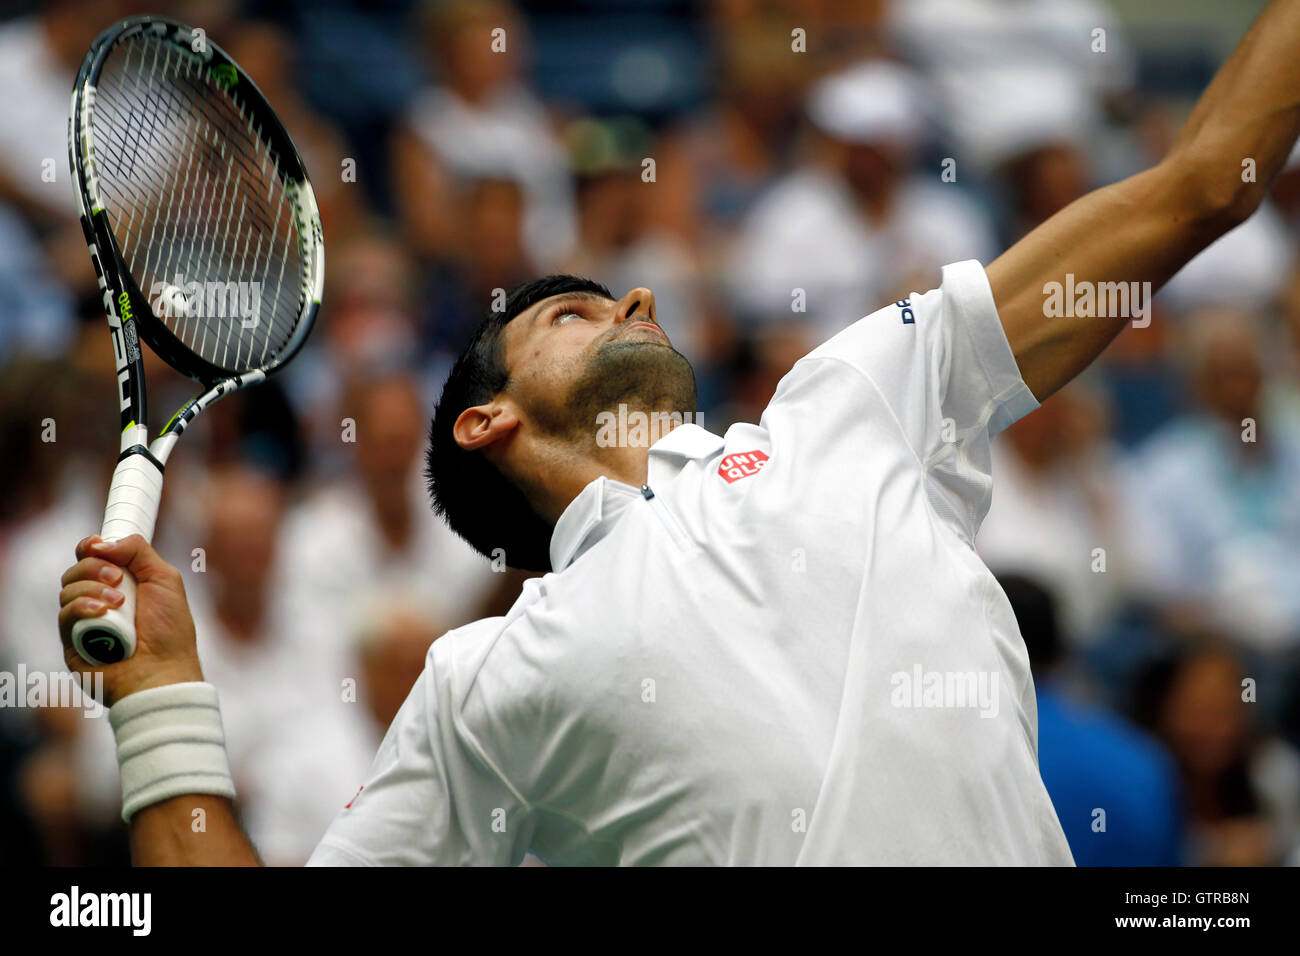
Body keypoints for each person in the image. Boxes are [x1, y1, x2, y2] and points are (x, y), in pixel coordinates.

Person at [57, 0, 1300, 865]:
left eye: (626, 287)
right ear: (485, 420)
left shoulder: (849, 397)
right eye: (572, 306)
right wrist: (161, 690)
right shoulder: (484, 679)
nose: (637, 294)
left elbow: (1200, 182)